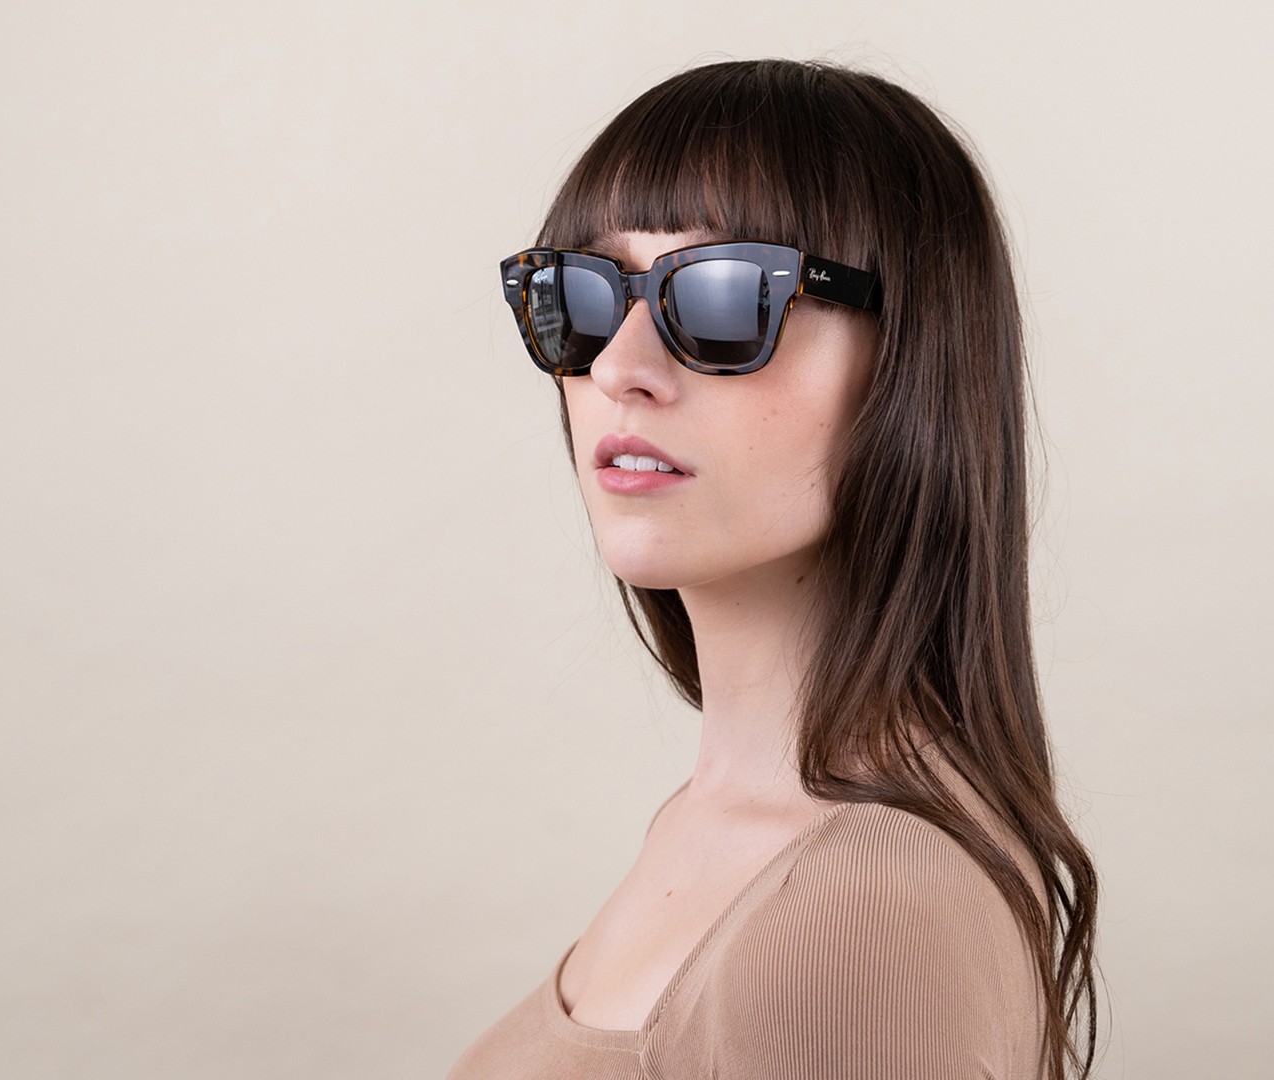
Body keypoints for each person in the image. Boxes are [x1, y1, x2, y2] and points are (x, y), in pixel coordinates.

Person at [447, 58, 1100, 1080]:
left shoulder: (867, 912)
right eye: (582, 296)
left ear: (909, 365)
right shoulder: (710, 826)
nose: (618, 367)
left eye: (721, 298)